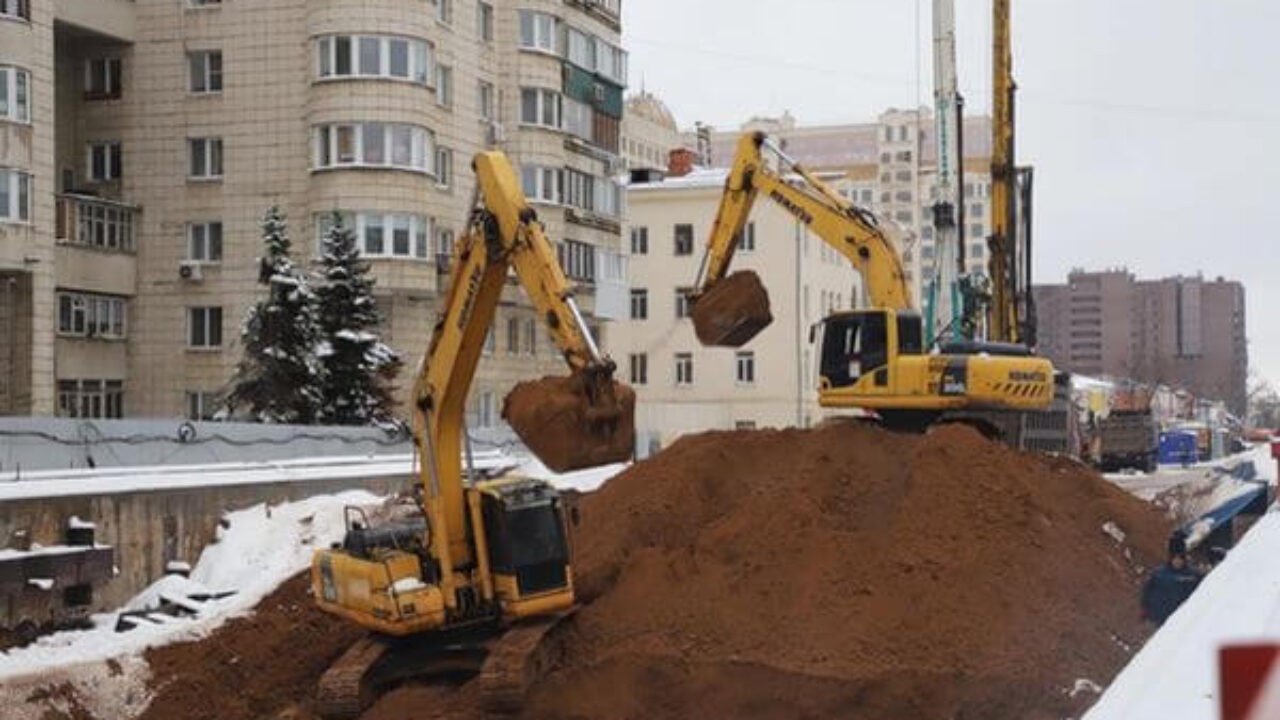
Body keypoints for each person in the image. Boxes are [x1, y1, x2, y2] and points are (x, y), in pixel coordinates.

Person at [1141, 533, 1204, 626]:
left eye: (1180, 558)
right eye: (1174, 558)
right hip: (1162, 622)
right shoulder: (1158, 575)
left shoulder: (1193, 576)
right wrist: (1145, 610)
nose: (1177, 561)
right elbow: (1146, 593)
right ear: (1170, 558)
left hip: (1187, 622)